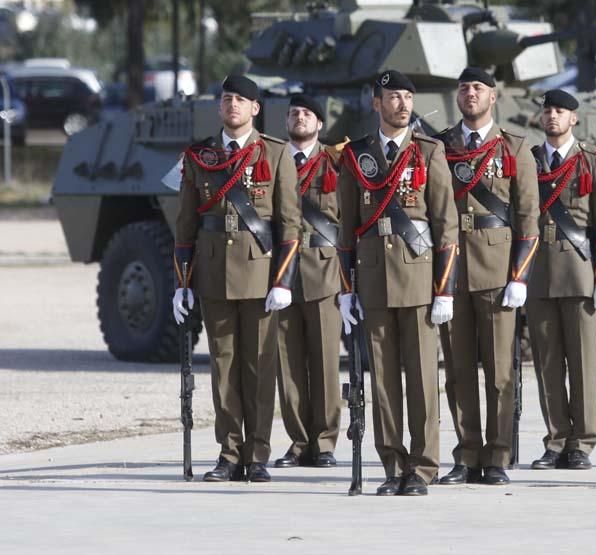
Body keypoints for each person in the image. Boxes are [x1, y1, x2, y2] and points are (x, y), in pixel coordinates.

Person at [336, 70, 459, 497]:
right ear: (376, 103)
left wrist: (444, 288)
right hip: (373, 279)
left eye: (407, 96)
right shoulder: (356, 155)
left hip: (419, 278)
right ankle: (392, 463)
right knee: (383, 379)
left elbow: (446, 224)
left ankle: (422, 468)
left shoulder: (430, 151)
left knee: (423, 379)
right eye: (393, 96)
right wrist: (346, 289)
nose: (402, 103)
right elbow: (346, 227)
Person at [172, 74, 301, 483]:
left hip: (261, 274)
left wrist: (282, 280)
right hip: (213, 273)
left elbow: (289, 225)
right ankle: (229, 453)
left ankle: (257, 453)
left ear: (255, 109)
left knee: (260, 366)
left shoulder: (277, 154)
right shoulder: (200, 156)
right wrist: (182, 282)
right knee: (224, 367)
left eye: (241, 100)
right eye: (227, 99)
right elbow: (185, 224)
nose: (233, 106)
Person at [434, 67, 540, 486]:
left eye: (478, 88)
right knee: (458, 372)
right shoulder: (440, 147)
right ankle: (466, 454)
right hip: (452, 272)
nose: (470, 94)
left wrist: (520, 275)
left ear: (493, 97)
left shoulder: (514, 148)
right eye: (463, 88)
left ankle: (497, 456)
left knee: (499, 373)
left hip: (498, 273)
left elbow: (529, 217)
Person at [526, 89, 596, 472]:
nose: (552, 116)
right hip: (538, 274)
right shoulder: (530, 161)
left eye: (560, 111)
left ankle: (581, 442)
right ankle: (556, 440)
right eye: (547, 110)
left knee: (582, 363)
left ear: (574, 119)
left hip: (580, 271)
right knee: (547, 363)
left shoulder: (593, 161)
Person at [273, 94, 343, 470]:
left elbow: (346, 219)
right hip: (282, 273)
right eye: (294, 113)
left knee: (325, 362)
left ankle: (325, 441)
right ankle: (298, 442)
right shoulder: (271, 160)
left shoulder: (336, 161)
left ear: (319, 124)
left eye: (307, 114)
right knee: (289, 364)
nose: (300, 118)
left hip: (324, 269)